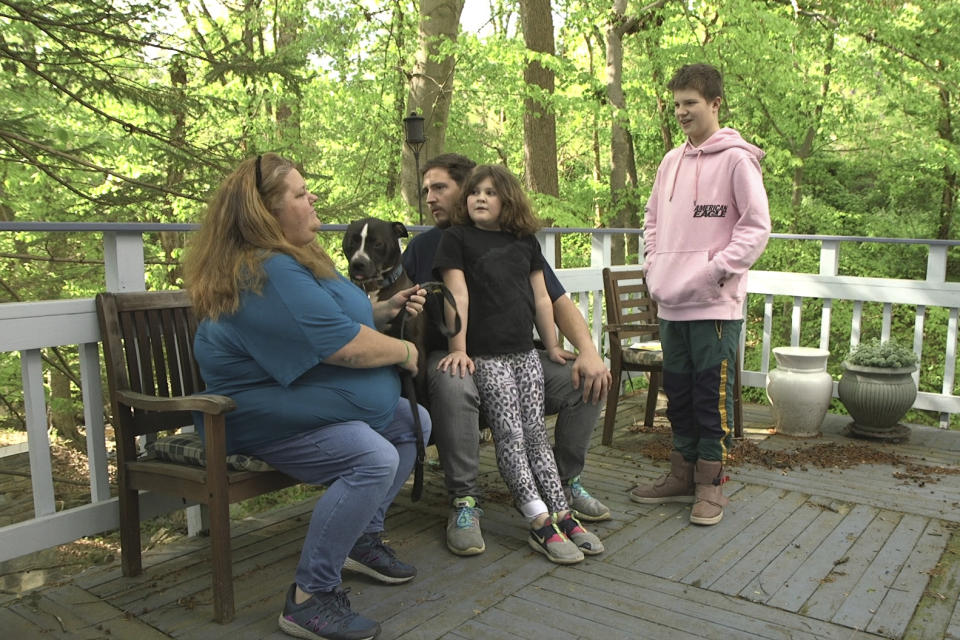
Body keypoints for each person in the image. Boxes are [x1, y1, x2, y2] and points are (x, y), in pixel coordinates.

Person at [184, 152, 431, 640]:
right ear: (266, 214)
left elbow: (337, 321)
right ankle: (308, 596)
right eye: (300, 193)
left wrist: (384, 313)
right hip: (249, 412)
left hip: (296, 394)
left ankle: (361, 536)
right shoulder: (265, 270)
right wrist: (404, 348)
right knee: (373, 458)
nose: (312, 196)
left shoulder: (300, 258)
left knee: (413, 423)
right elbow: (341, 346)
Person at [403, 153, 612, 557]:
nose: (429, 197)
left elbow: (552, 299)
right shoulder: (425, 246)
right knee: (452, 379)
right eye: (426, 189)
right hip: (452, 353)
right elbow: (404, 302)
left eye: (439, 187)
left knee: (588, 377)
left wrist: (586, 350)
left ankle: (564, 485)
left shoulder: (515, 240)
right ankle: (465, 499)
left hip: (517, 353)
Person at [629, 63, 771, 525]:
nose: (681, 112)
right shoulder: (670, 161)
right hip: (671, 305)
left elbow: (755, 228)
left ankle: (711, 487)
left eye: (690, 102)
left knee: (711, 399)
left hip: (714, 306)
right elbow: (651, 220)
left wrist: (715, 273)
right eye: (676, 104)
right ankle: (681, 475)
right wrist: (653, 265)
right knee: (680, 395)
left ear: (714, 104)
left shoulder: (736, 160)